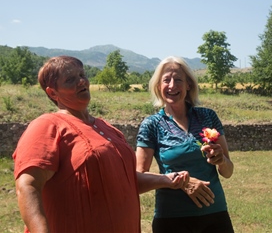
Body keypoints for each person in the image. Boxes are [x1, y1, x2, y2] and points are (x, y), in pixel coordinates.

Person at [12, 55, 189, 233]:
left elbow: (125, 180)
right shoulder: (48, 125)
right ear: (52, 93)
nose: (81, 81)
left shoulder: (107, 129)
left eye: (82, 75)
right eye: (70, 79)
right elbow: (28, 186)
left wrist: (166, 180)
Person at [136, 56, 234, 233]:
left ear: (189, 85)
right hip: (172, 218)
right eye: (166, 80)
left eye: (178, 79)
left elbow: (228, 172)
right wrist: (181, 182)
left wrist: (221, 160)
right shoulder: (151, 125)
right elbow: (139, 179)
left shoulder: (208, 117)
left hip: (215, 215)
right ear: (158, 86)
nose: (172, 85)